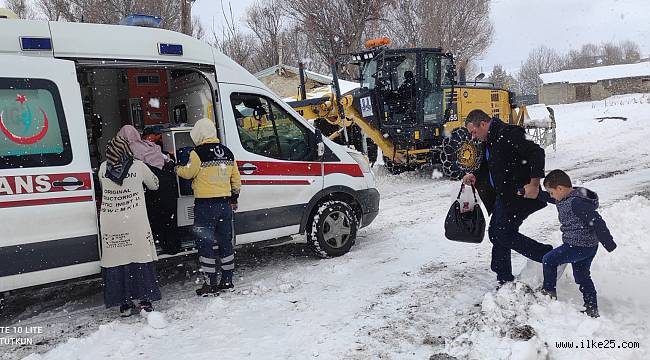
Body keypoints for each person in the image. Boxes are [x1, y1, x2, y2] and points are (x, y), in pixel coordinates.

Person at [462, 109, 553, 285]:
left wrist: (534, 184)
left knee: (503, 234)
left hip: (519, 194)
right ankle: (503, 277)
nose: (473, 136)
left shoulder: (510, 133)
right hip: (503, 196)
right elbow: (492, 164)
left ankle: (549, 256)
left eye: (474, 131)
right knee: (496, 234)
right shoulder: (489, 140)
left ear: (483, 124)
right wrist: (474, 175)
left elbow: (537, 152)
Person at [175, 118, 241, 296]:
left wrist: (176, 168)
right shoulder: (228, 153)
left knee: (205, 244)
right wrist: (234, 198)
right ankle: (227, 280)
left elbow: (188, 172)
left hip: (205, 206)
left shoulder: (198, 153)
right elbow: (236, 180)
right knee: (225, 243)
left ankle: (210, 283)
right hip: (225, 205)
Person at [537, 169, 616, 318]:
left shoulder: (577, 203)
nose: (552, 196)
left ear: (560, 188)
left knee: (549, 260)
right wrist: (529, 192)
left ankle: (548, 295)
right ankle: (592, 309)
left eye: (552, 192)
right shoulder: (567, 196)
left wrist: (608, 242)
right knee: (582, 277)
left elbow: (597, 222)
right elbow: (547, 197)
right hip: (587, 247)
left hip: (578, 246)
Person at [98, 135, 161, 316]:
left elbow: (104, 187)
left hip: (111, 222)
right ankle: (145, 301)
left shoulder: (103, 168)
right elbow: (154, 184)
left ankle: (124, 304)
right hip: (134, 220)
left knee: (118, 261)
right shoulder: (139, 166)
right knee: (140, 259)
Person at [117, 125, 180, 255]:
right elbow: (165, 159)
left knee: (154, 216)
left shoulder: (125, 150)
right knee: (168, 218)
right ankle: (172, 246)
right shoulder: (152, 147)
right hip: (166, 183)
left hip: (151, 187)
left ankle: (153, 244)